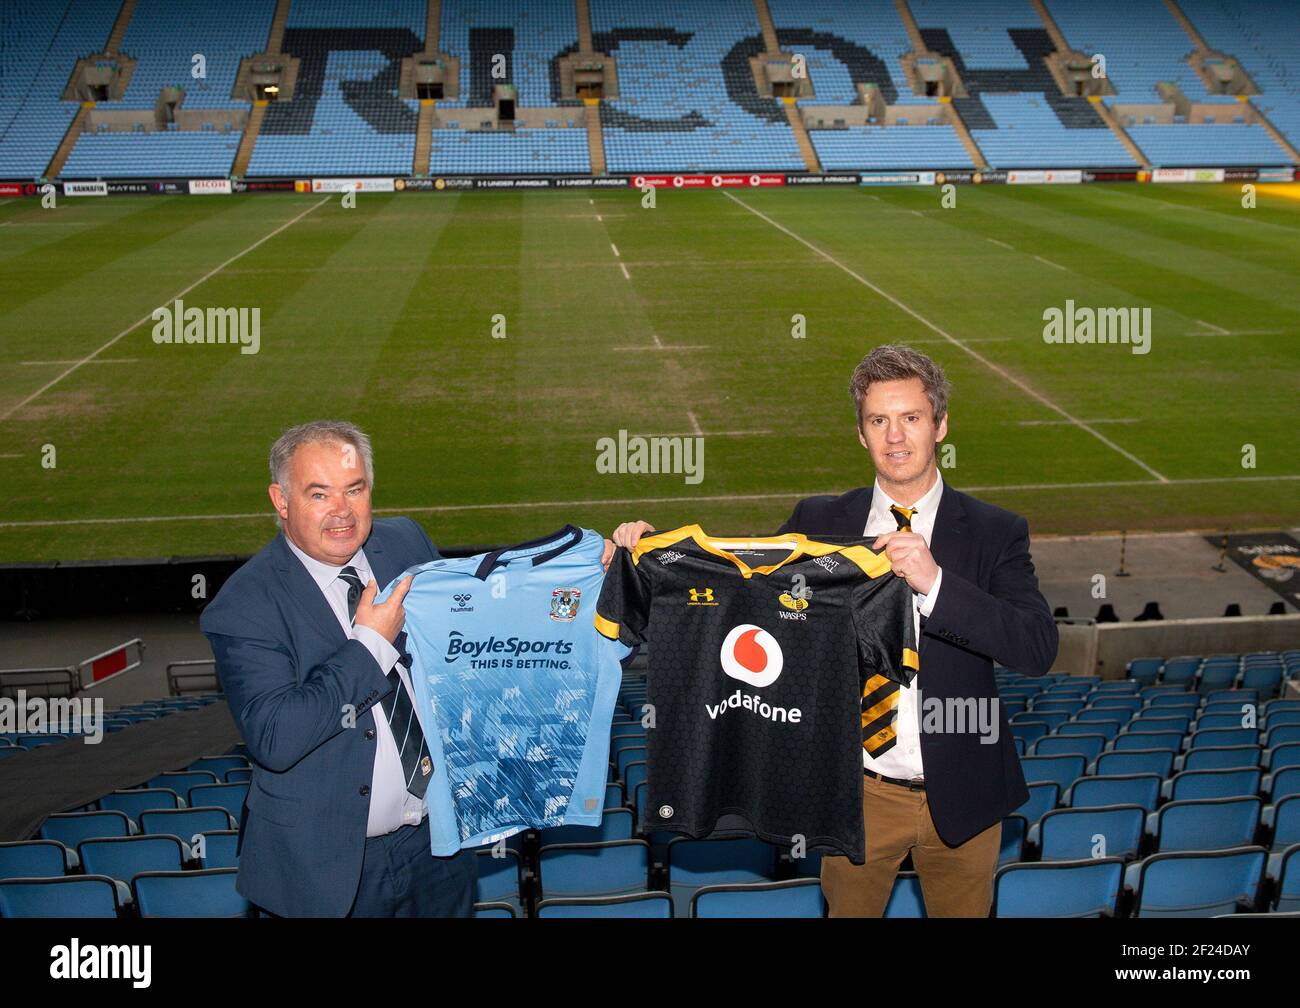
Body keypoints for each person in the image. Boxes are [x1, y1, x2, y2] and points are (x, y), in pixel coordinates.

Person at [611, 344, 1057, 917]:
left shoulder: (996, 531)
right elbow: (742, 592)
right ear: (861, 434)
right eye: (879, 421)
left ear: (941, 425)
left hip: (967, 796)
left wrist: (936, 583)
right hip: (855, 794)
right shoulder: (820, 522)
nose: (895, 437)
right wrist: (652, 555)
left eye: (911, 418)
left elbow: (1037, 647)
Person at [200, 420, 477, 917]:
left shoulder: (405, 542)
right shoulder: (244, 604)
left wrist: (601, 584)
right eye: (319, 494)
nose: (342, 512)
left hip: (438, 848)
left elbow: (475, 640)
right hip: (327, 872)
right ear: (281, 502)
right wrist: (371, 644)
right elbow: (277, 737)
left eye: (355, 489)